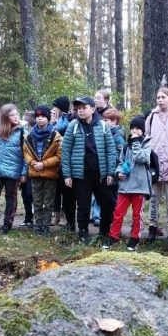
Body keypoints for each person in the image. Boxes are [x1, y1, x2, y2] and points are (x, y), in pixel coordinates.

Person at [61, 96, 117, 244]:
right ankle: (83, 234)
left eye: (84, 108)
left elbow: (111, 150)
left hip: (100, 173)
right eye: (78, 108)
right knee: (83, 205)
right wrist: (67, 174)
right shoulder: (72, 126)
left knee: (108, 204)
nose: (80, 111)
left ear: (92, 109)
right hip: (81, 174)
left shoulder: (103, 126)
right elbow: (65, 151)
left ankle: (104, 232)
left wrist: (111, 172)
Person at [105, 115, 153, 251]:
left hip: (140, 186)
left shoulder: (147, 143)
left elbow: (141, 158)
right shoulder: (126, 146)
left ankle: (135, 238)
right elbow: (121, 162)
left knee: (137, 215)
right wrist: (118, 172)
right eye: (133, 128)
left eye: (138, 128)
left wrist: (136, 142)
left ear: (143, 130)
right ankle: (113, 236)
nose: (135, 131)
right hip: (125, 185)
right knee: (118, 212)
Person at [0, 104, 28, 234]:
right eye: (12, 115)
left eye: (17, 114)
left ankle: (7, 224)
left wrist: (24, 172)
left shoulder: (22, 132)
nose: (16, 117)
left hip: (13, 170)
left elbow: (27, 154)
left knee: (11, 197)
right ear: (5, 117)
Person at [146, 87, 168, 243]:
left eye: (163, 97)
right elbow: (146, 139)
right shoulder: (151, 117)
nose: (160, 100)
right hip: (155, 165)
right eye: (158, 97)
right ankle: (152, 227)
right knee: (154, 198)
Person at [23, 105, 61, 236]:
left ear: (48, 119)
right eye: (38, 117)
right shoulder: (30, 136)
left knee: (48, 201)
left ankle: (45, 225)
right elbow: (26, 152)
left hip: (50, 174)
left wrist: (44, 164)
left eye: (43, 117)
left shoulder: (55, 135)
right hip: (35, 173)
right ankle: (38, 225)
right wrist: (33, 163)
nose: (40, 119)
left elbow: (59, 156)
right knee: (37, 201)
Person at [51, 96, 73, 228]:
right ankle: (56, 214)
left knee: (64, 188)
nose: (53, 109)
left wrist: (54, 123)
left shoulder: (68, 120)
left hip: (64, 159)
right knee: (55, 189)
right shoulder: (56, 120)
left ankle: (65, 215)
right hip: (53, 158)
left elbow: (56, 132)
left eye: (55, 107)